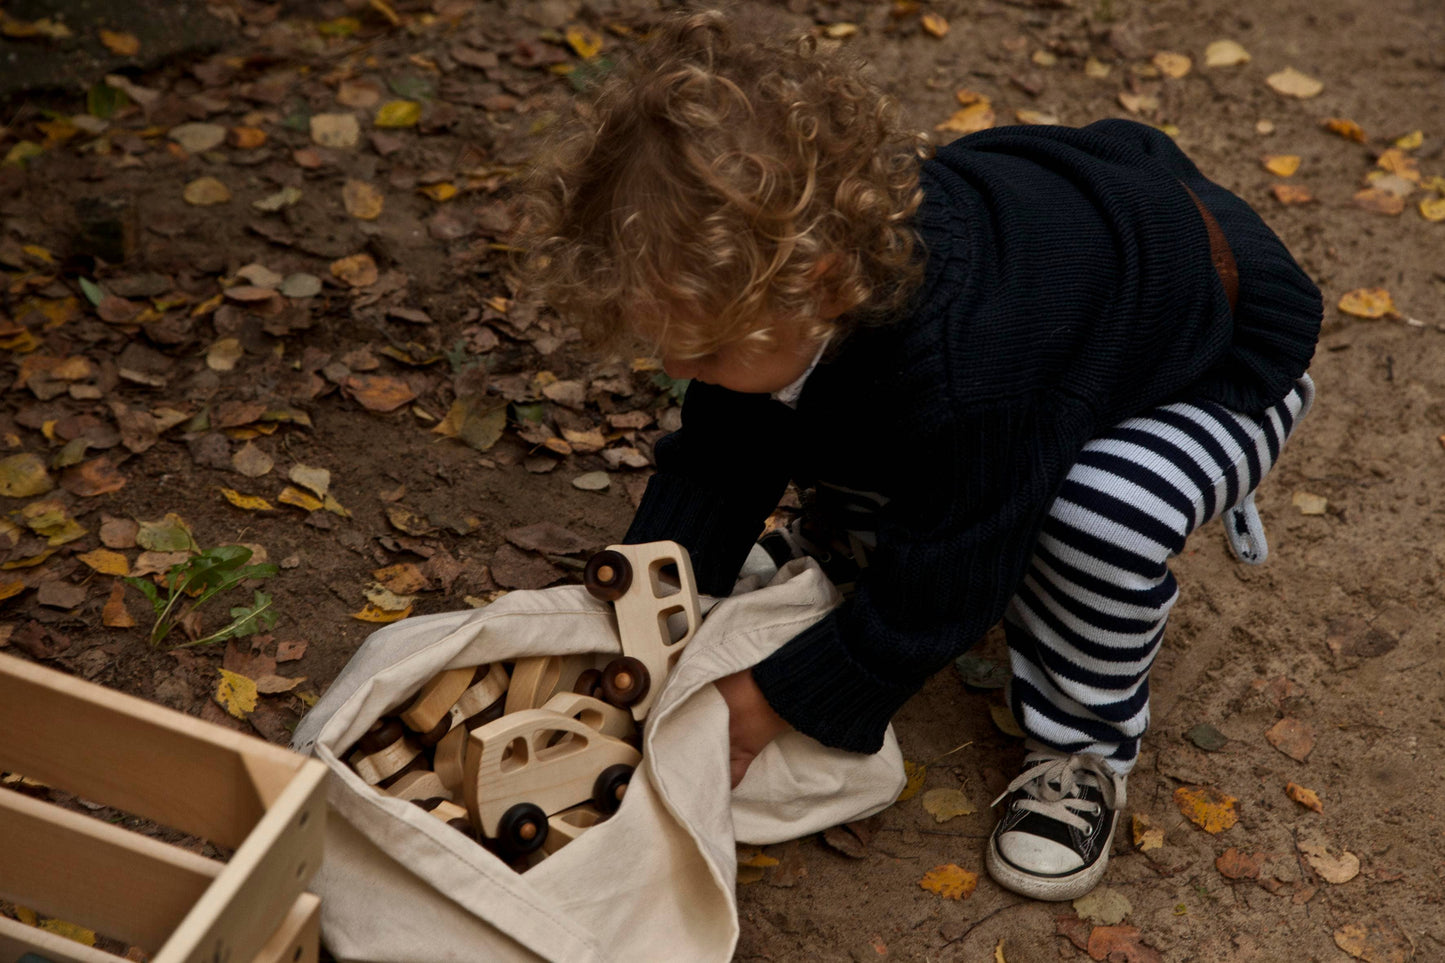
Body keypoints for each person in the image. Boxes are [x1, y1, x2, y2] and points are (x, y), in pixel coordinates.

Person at [516, 10, 1321, 901]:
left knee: (1094, 515)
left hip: (1206, 358)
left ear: (818, 282)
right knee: (822, 405)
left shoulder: (967, 369)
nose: (677, 369)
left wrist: (764, 702)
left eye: (701, 352)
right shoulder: (791, 297)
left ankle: (1081, 748)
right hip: (1061, 317)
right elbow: (721, 450)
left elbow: (949, 580)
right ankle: (855, 534)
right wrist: (652, 586)